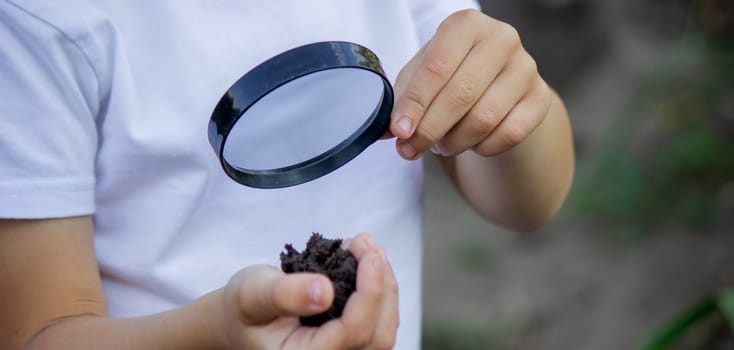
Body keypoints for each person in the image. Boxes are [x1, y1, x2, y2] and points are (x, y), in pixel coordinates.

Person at [0, 0, 574, 349]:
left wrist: (514, 99)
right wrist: (216, 334)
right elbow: (38, 334)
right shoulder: (37, 23)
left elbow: (530, 204)